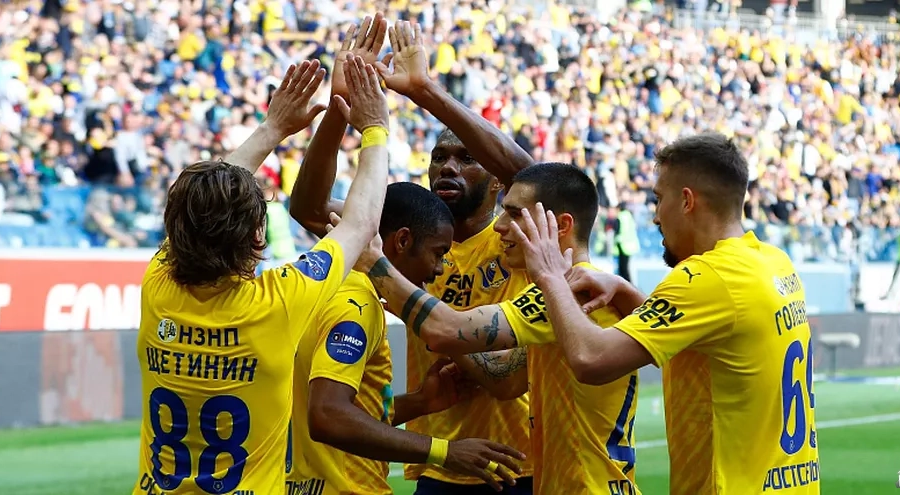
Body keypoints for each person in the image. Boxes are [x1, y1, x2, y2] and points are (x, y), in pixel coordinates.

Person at [289, 19, 536, 494]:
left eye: (466, 158)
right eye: (439, 157)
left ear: (497, 179)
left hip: (516, 462)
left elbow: (537, 176)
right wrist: (340, 107)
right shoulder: (400, 237)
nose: (448, 167)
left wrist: (424, 91)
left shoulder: (517, 239)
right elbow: (309, 208)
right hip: (437, 464)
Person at [506, 133, 821, 494]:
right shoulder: (773, 262)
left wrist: (550, 276)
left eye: (658, 199)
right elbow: (696, 336)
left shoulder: (706, 277)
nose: (655, 216)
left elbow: (591, 359)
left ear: (686, 200)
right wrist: (624, 290)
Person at [133, 57, 391, 495]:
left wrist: (273, 127)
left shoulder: (157, 284)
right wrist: (376, 128)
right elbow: (360, 224)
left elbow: (197, 204)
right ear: (257, 236)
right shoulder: (279, 300)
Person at [359, 163, 641, 494]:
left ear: (562, 225)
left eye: (515, 214)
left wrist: (374, 261)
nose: (500, 225)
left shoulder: (569, 293)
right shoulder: (581, 292)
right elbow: (505, 379)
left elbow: (446, 329)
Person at [287, 184, 526, 495]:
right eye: (438, 254)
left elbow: (340, 412)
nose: (438, 270)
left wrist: (420, 402)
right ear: (402, 240)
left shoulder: (330, 290)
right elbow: (326, 415)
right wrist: (445, 451)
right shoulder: (356, 305)